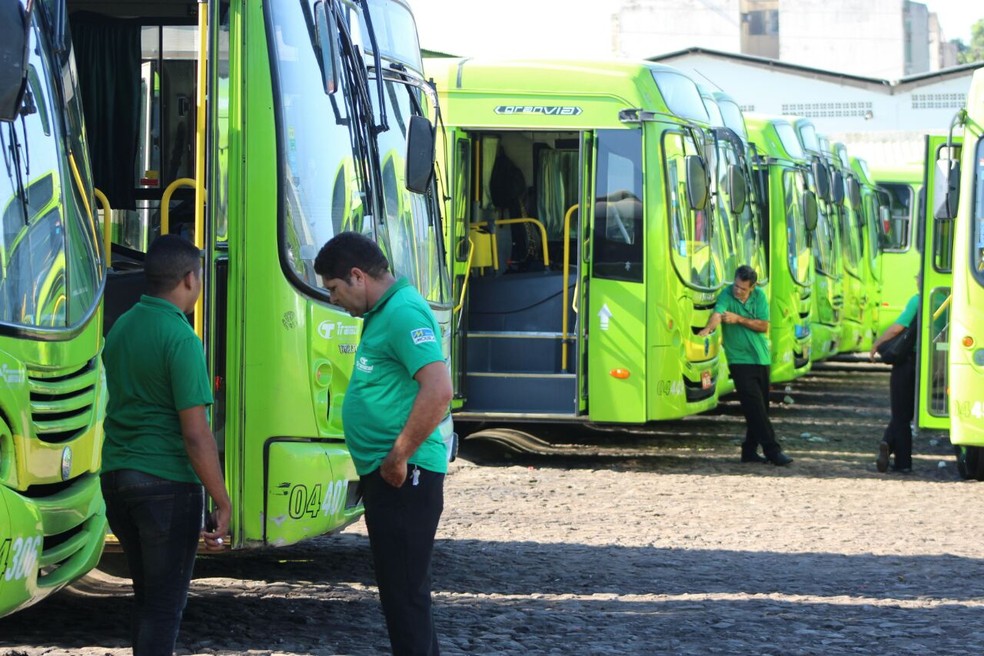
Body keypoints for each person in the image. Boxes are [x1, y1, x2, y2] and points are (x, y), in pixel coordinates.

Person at [314, 231, 453, 656]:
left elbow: (438, 389)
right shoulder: (384, 312)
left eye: (335, 289)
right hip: (391, 473)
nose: (335, 299)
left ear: (357, 276)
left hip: (403, 474)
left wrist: (399, 455)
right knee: (402, 593)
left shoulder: (403, 313)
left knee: (404, 595)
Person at [100, 234, 231, 656]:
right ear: (190, 280)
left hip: (117, 479)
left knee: (146, 600)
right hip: (167, 484)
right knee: (164, 607)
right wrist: (221, 500)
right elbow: (195, 434)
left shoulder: (121, 327)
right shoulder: (182, 340)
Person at [698, 265, 792, 466]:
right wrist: (707, 329)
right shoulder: (726, 295)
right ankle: (773, 451)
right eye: (736, 285)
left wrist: (738, 319)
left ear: (752, 287)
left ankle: (749, 450)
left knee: (760, 409)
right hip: (740, 361)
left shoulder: (759, 297)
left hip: (761, 358)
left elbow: (763, 325)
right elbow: (717, 314)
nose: (737, 290)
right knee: (755, 407)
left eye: (742, 288)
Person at [870, 289, 920, 473]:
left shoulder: (918, 299)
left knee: (900, 414)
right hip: (930, 364)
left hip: (907, 362)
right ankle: (887, 443)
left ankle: (903, 463)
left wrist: (877, 343)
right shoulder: (945, 297)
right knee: (906, 414)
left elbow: (897, 328)